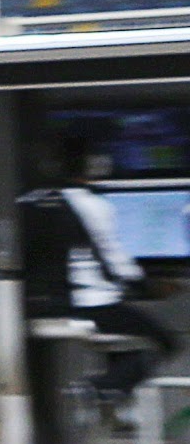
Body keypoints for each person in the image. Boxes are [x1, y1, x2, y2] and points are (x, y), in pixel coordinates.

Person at [21, 143, 174, 393]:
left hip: (39, 305)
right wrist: (147, 286)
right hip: (92, 305)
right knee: (164, 340)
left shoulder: (29, 201)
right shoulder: (93, 205)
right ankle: (101, 389)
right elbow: (113, 260)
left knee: (124, 346)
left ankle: (111, 394)